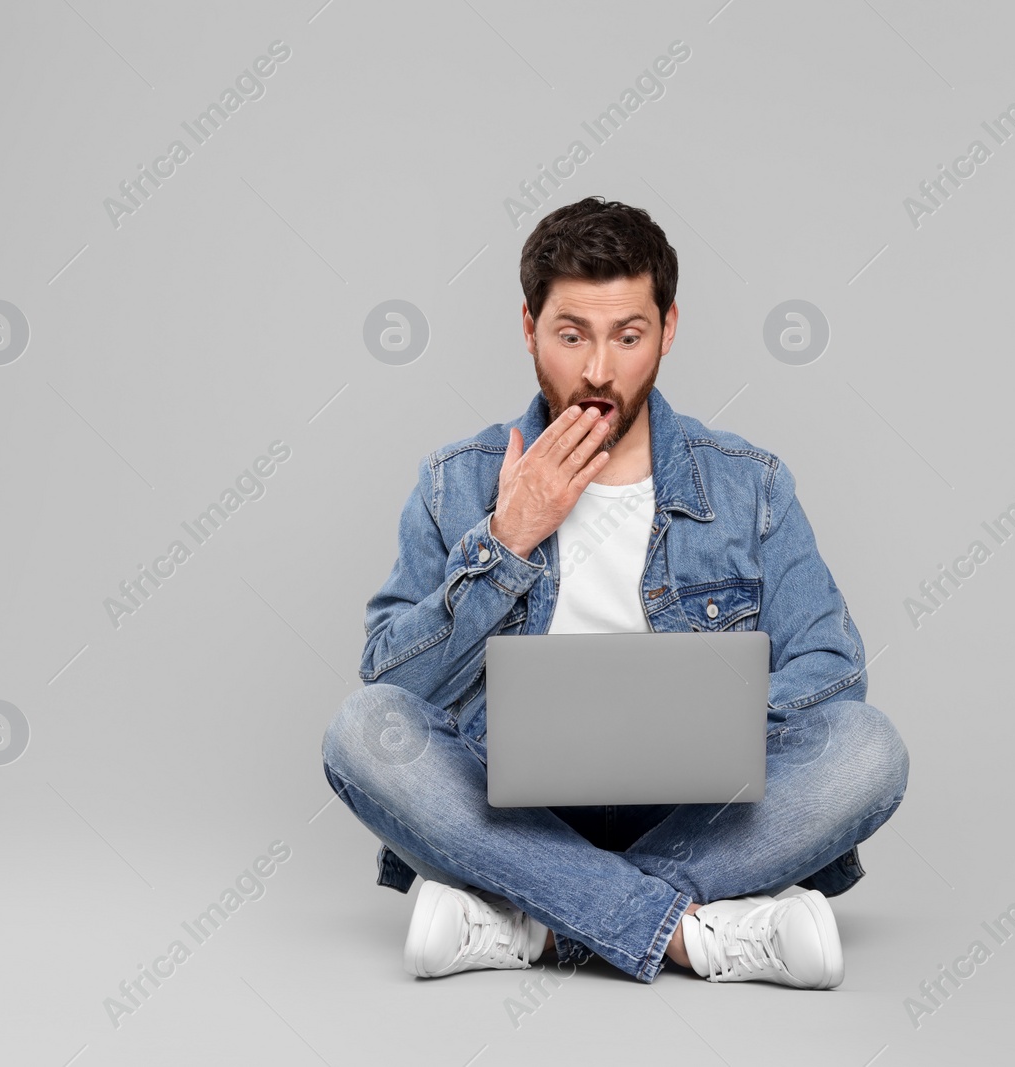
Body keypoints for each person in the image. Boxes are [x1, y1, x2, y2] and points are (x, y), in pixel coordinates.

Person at [322, 196, 908, 988]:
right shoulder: (453, 480)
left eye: (628, 336)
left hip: (697, 809)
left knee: (867, 748)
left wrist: (711, 731)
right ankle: (694, 932)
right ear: (528, 329)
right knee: (360, 732)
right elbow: (393, 688)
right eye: (571, 335)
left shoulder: (750, 482)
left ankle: (530, 916)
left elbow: (834, 668)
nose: (599, 369)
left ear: (668, 330)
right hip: (511, 803)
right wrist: (507, 540)